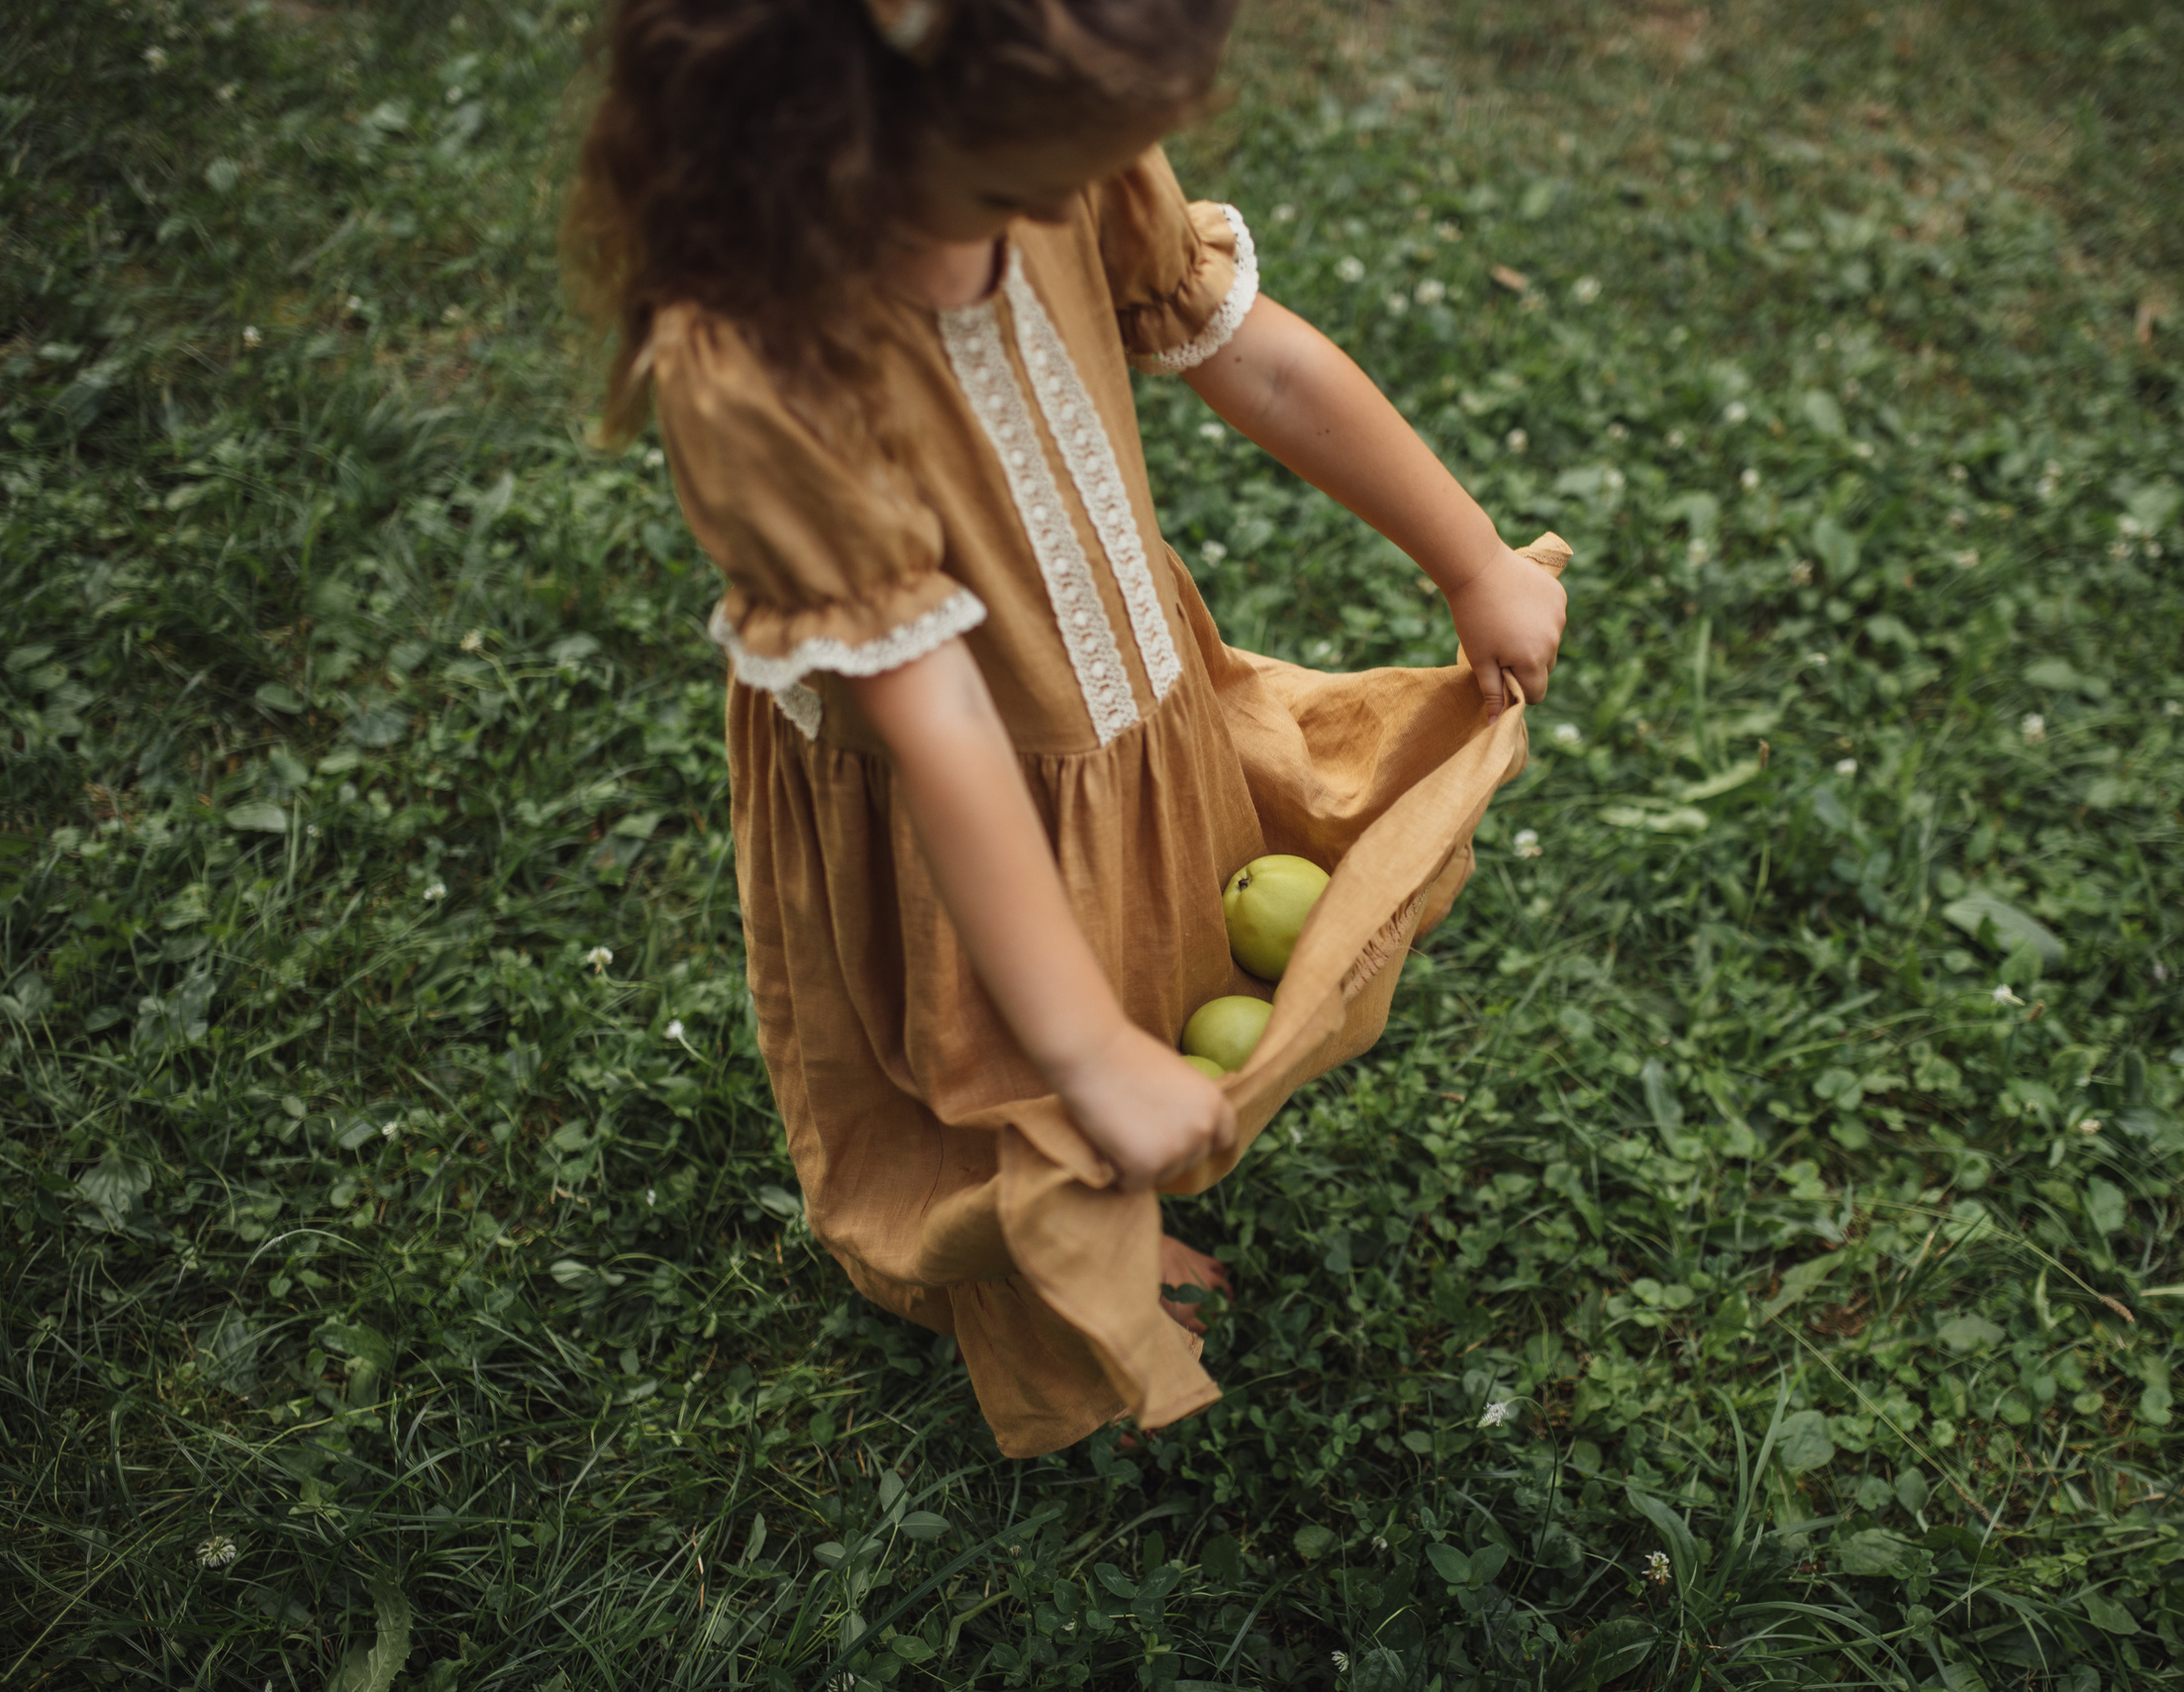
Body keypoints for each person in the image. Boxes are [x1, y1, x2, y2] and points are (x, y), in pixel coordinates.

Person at [566, 0, 1568, 1456]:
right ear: (820, 126)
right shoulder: (765, 355)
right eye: (1009, 190)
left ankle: (1111, 1137)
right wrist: (1089, 1051)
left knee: (1148, 954)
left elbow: (1259, 359)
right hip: (951, 795)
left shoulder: (1048, 156)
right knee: (1006, 1073)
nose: (1055, 209)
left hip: (1122, 711)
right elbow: (943, 726)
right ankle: (1050, 1268)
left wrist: (1470, 556)